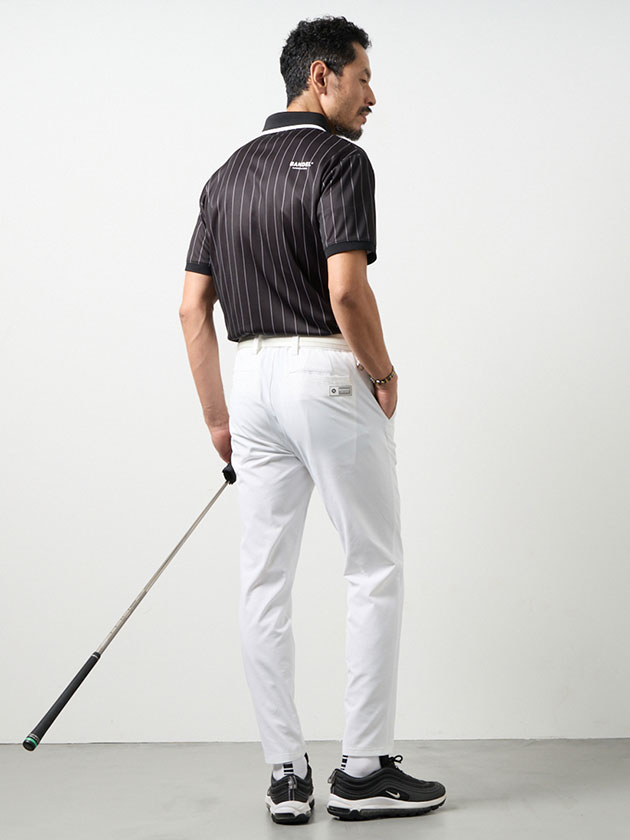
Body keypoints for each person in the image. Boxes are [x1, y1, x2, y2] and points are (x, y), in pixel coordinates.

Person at [179, 14, 446, 825]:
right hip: (327, 372)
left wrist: (219, 419)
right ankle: (361, 772)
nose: (373, 97)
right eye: (363, 78)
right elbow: (346, 289)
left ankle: (286, 775)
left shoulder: (225, 175)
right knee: (373, 566)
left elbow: (192, 307)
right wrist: (384, 371)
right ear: (321, 76)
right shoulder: (340, 161)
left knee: (264, 579)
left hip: (251, 381)